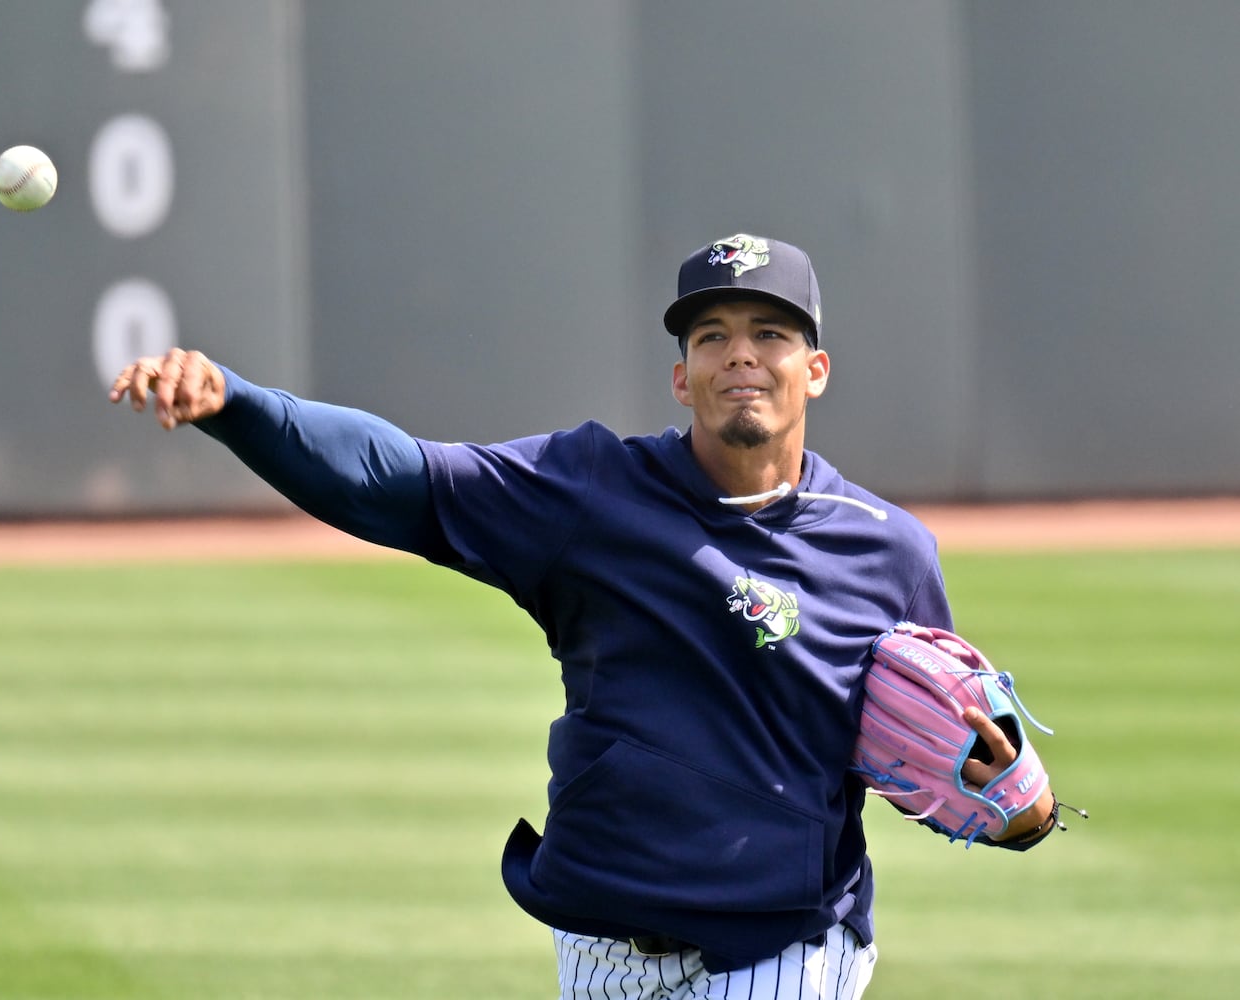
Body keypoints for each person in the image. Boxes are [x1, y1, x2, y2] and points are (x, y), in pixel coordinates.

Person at [110, 233, 1058, 999]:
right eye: (712, 335)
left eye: (769, 333)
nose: (741, 355)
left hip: (782, 952)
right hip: (598, 941)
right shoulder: (590, 492)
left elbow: (955, 752)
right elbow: (395, 477)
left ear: (814, 369)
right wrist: (235, 405)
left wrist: (1025, 805)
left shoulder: (886, 551)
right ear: (681, 379)